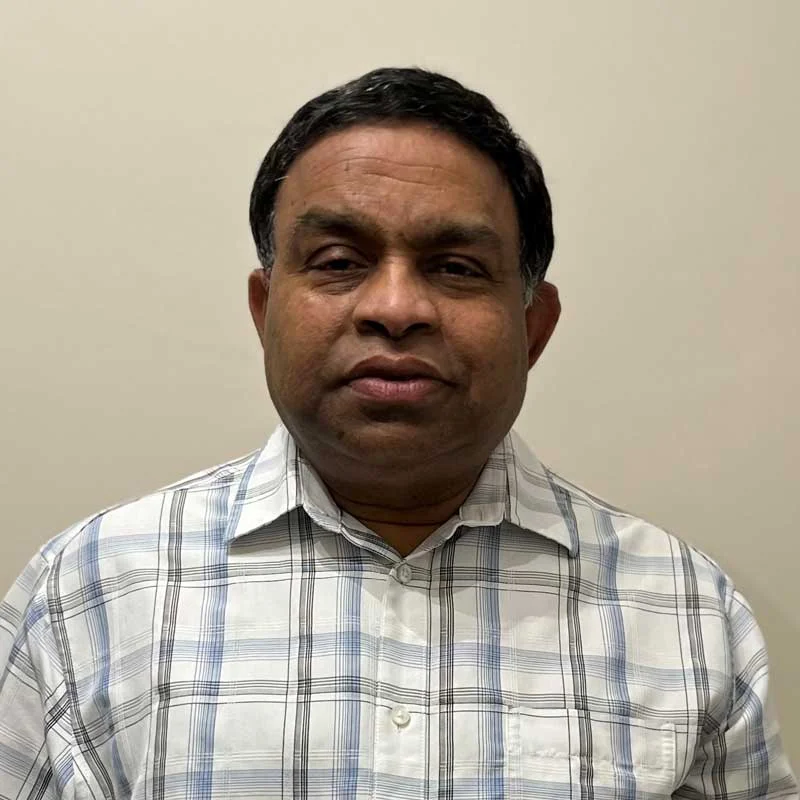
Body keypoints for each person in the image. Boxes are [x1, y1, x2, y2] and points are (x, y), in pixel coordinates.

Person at [0, 67, 795, 800]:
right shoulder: (89, 593)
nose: (394, 307)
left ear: (535, 329)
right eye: (340, 259)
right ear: (263, 312)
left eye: (454, 267)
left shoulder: (685, 611)